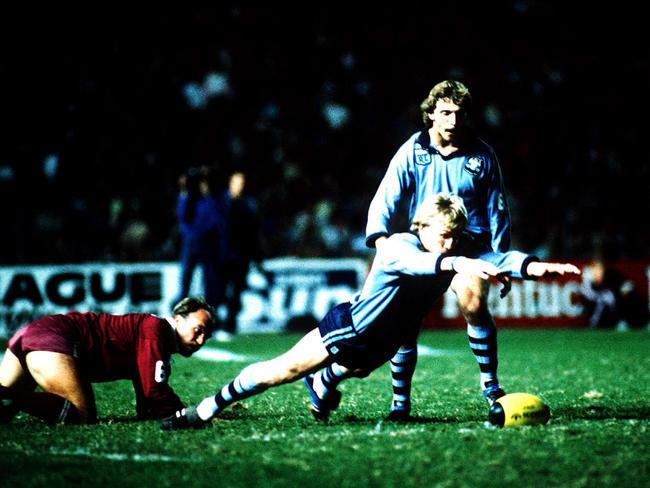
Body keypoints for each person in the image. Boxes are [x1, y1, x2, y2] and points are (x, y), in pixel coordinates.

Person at [159, 194, 579, 430]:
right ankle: (204, 410)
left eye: (455, 238)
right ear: (423, 226)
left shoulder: (450, 249)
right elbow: (428, 266)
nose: (451, 244)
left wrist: (534, 266)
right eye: (445, 236)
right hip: (350, 329)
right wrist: (461, 263)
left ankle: (326, 381)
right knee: (280, 371)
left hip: (381, 343)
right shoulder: (399, 246)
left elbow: (495, 256)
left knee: (353, 371)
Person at [364, 80, 515, 420]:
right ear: (430, 115)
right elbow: (385, 197)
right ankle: (400, 401)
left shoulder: (482, 156)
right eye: (445, 113)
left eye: (459, 114)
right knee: (405, 324)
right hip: (424, 248)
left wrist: (501, 257)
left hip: (470, 246)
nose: (453, 121)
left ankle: (491, 385)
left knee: (474, 302)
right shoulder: (412, 151)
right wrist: (381, 241)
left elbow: (498, 211)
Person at [0, 297, 216, 424]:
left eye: (207, 335)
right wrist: (190, 416)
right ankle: (7, 395)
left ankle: (7, 395)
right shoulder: (156, 330)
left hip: (32, 333)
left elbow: (149, 401)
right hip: (53, 337)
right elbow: (154, 390)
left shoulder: (156, 338)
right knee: (82, 414)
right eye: (198, 330)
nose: (201, 340)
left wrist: (163, 413)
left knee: (3, 412)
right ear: (177, 319)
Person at [213, 170, 261, 342]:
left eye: (243, 183)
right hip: (221, 256)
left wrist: (255, 257)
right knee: (218, 292)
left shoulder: (248, 205)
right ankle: (215, 325)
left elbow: (252, 233)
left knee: (236, 293)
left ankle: (230, 326)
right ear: (230, 183)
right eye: (237, 182)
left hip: (241, 257)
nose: (240, 186)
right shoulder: (220, 203)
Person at [175, 167, 227, 311]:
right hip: (192, 242)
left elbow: (214, 221)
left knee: (210, 282)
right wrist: (184, 191)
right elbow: (183, 218)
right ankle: (180, 314)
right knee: (185, 281)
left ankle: (210, 313)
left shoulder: (209, 201)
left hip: (205, 243)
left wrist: (207, 194)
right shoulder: (189, 201)